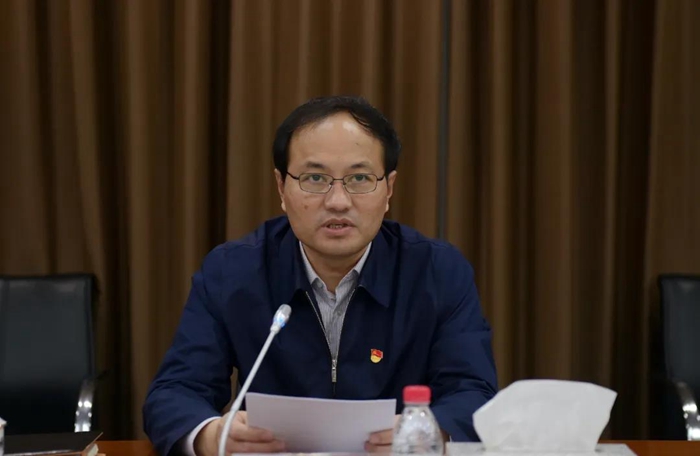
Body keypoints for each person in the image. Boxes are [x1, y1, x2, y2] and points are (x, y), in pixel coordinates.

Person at [143, 95, 498, 456]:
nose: (338, 201)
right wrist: (211, 435)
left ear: (388, 189)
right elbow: (175, 392)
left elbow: (474, 393)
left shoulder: (437, 271)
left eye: (359, 178)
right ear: (281, 188)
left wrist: (429, 433)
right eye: (315, 178)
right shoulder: (232, 271)